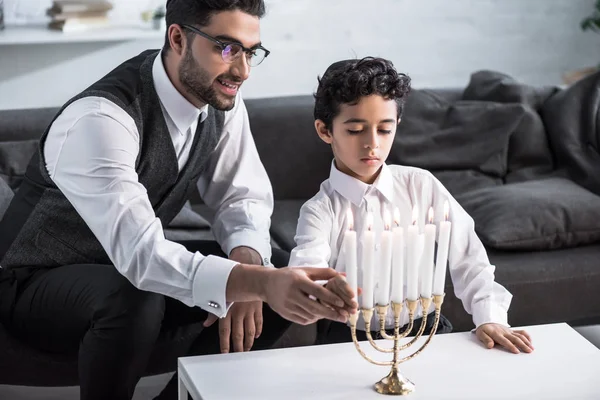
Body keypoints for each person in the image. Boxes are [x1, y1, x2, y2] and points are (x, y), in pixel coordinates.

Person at [0, 1, 352, 399]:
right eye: (226, 47)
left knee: (274, 269)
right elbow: (141, 256)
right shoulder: (99, 119)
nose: (242, 70)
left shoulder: (222, 101)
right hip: (33, 281)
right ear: (178, 38)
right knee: (136, 296)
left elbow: (240, 197)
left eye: (251, 51)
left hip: (120, 271)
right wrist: (253, 283)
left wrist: (248, 264)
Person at [289, 57, 534, 354]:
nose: (372, 144)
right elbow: (306, 272)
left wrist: (490, 318)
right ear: (325, 130)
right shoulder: (320, 211)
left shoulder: (421, 185)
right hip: (349, 340)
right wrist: (319, 291)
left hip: (426, 331)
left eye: (384, 129)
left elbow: (468, 256)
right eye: (355, 130)